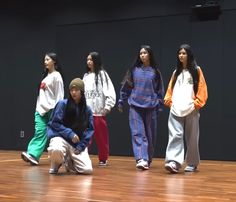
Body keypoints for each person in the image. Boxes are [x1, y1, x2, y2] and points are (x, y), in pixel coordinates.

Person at [118, 45, 164, 170]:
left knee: (150, 134)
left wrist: (159, 105)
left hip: (151, 106)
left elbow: (160, 90)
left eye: (145, 53)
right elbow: (126, 86)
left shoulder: (155, 72)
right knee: (138, 133)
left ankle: (147, 159)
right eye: (140, 53)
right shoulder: (133, 70)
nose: (142, 55)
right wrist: (121, 100)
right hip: (135, 106)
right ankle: (141, 158)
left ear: (150, 55)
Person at [164, 44, 208, 174]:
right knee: (175, 135)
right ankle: (174, 162)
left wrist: (196, 104)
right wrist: (170, 102)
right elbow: (169, 90)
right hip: (176, 109)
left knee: (192, 137)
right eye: (179, 53)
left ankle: (192, 163)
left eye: (184, 53)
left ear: (189, 55)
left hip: (191, 108)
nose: (181, 56)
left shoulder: (197, 70)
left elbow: (202, 88)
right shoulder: (175, 72)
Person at [21, 52, 64, 165]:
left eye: (47, 60)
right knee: (39, 132)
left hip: (52, 111)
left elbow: (59, 96)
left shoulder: (57, 76)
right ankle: (33, 155)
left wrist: (57, 111)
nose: (45, 62)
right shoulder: (45, 77)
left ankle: (63, 157)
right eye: (44, 60)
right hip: (40, 110)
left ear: (54, 61)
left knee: (56, 135)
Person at [47, 78, 94, 174]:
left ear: (82, 92)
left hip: (76, 143)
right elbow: (54, 123)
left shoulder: (87, 110)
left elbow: (90, 130)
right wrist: (70, 134)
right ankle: (56, 164)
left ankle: (69, 162)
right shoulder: (62, 104)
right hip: (61, 138)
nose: (73, 92)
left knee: (87, 170)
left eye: (76, 90)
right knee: (56, 149)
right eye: (72, 90)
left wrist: (81, 146)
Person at [83, 52, 116, 166]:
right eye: (87, 60)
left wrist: (107, 107)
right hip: (87, 113)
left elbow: (110, 91)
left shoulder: (102, 75)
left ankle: (103, 158)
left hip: (98, 113)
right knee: (86, 137)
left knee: (102, 138)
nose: (89, 62)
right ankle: (82, 157)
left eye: (91, 60)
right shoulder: (86, 76)